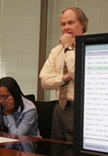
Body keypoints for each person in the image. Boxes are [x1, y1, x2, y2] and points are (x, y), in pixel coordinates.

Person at [39, 7, 88, 142]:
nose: (66, 27)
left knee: (75, 148)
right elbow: (44, 81)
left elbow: (78, 74)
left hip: (79, 108)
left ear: (83, 24)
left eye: (71, 22)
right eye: (63, 24)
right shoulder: (56, 51)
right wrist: (65, 77)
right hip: (59, 107)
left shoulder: (88, 47)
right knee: (57, 147)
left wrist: (68, 48)